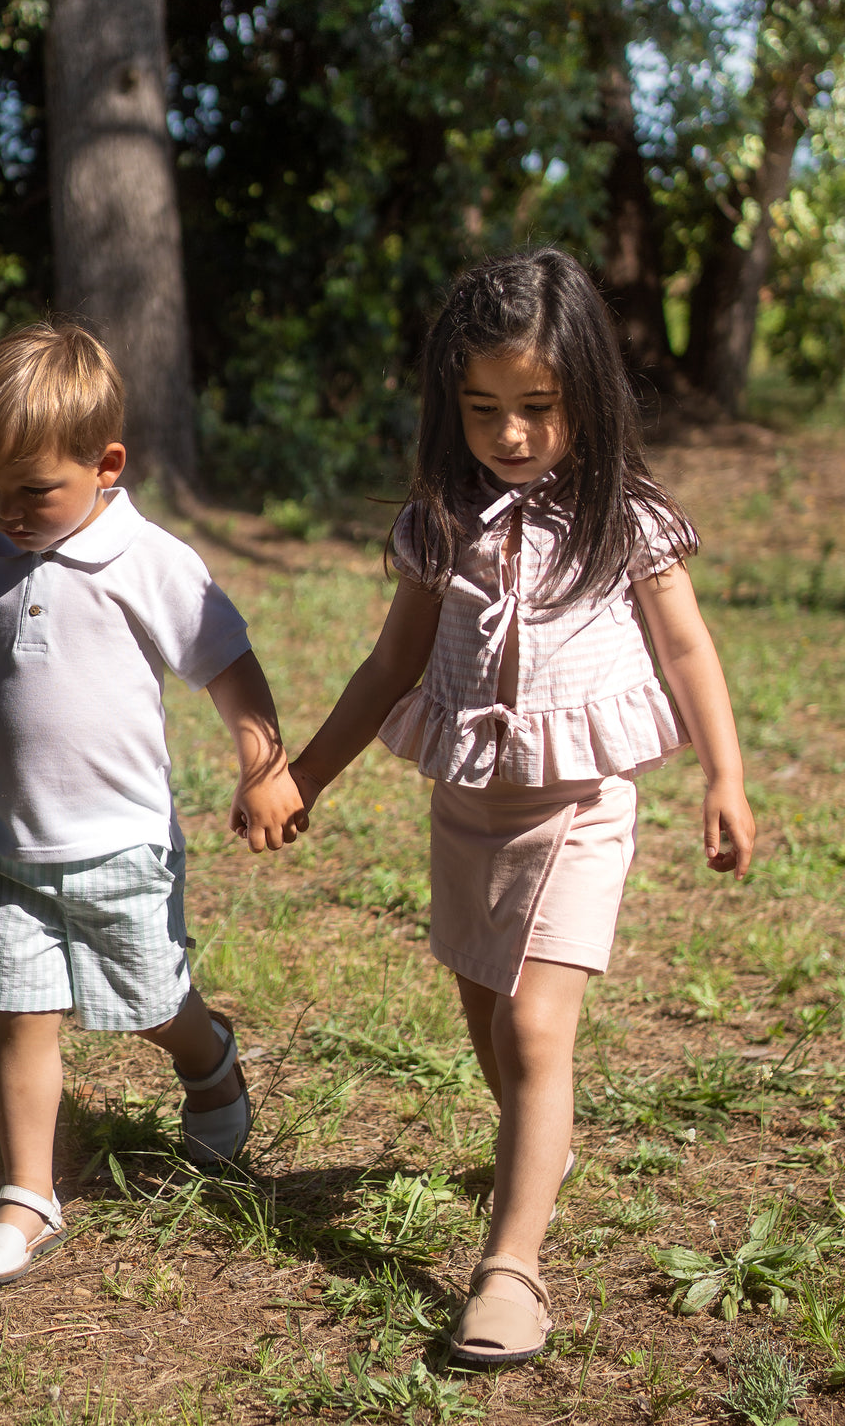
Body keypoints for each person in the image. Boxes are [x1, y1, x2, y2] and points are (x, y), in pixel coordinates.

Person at [288, 248, 754, 1368]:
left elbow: (687, 648)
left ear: (587, 394)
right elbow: (390, 666)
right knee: (488, 1010)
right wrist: (303, 774)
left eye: (538, 407)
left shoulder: (625, 520)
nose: (510, 433)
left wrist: (725, 776)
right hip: (471, 807)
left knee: (536, 1026)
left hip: (581, 808)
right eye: (483, 407)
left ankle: (512, 1269)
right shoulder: (439, 522)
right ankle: (537, 1144)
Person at [0, 321, 305, 1290]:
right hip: (6, 844)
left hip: (120, 845)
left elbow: (227, 662)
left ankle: (208, 1057)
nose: (7, 511)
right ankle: (28, 1196)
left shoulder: (148, 560)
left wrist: (263, 765)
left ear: (105, 466)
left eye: (33, 489)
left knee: (148, 1005)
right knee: (20, 1014)